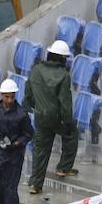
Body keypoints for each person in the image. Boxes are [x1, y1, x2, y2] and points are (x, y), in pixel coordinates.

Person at [24, 39, 79, 195]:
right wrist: (67, 122)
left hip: (40, 116)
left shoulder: (36, 70)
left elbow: (28, 94)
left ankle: (35, 184)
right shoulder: (64, 75)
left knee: (40, 150)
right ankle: (64, 167)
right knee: (72, 134)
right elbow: (65, 102)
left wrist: (36, 106)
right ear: (62, 58)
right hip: (56, 118)